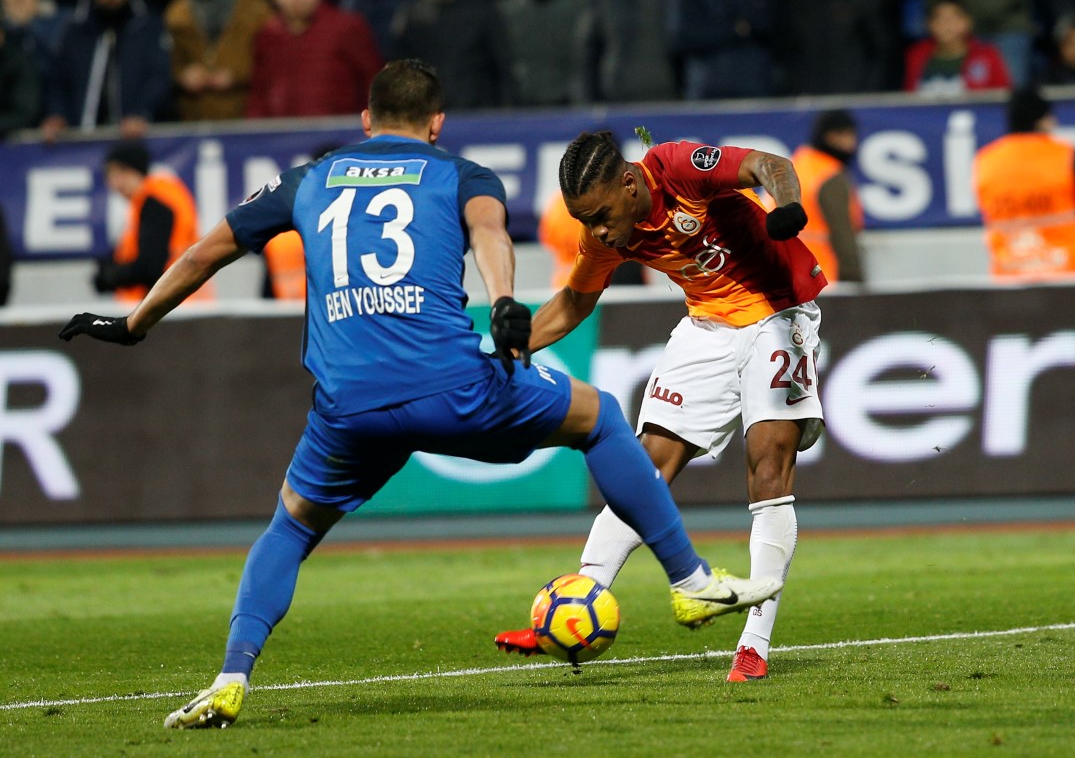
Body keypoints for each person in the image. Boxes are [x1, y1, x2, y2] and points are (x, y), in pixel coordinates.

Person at [58, 60, 782, 728]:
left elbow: (206, 251)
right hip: (452, 387)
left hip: (346, 407)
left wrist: (133, 323)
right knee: (598, 418)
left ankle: (230, 677)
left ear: (366, 120)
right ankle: (689, 580)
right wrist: (505, 302)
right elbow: (491, 233)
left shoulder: (306, 180)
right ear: (437, 123)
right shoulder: (463, 174)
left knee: (290, 529)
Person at [494, 130, 826, 683]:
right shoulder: (606, 234)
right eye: (583, 220)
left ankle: (754, 646)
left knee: (769, 467)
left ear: (629, 184)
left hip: (779, 312)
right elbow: (575, 301)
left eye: (601, 215)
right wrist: (506, 351)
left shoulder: (677, 169)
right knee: (642, 469)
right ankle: (574, 607)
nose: (596, 231)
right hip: (708, 325)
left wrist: (786, 206)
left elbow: (769, 164)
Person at [973, 87, 1075, 280]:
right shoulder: (1063, 155)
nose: (1054, 122)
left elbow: (986, 212)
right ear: (1039, 120)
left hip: (1011, 271)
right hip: (1069, 268)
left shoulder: (985, 160)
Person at [40, 0, 171, 141]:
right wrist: (58, 114)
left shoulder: (148, 27)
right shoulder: (75, 30)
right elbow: (58, 80)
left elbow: (158, 77)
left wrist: (142, 112)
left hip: (136, 140)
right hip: (81, 141)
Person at [97, 140, 212, 303]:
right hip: (181, 298)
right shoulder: (155, 199)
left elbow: (151, 266)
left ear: (136, 170)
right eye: (110, 175)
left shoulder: (155, 204)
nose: (114, 183)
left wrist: (112, 276)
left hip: (174, 303)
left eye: (121, 173)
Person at [245, 0, 380, 118]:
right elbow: (259, 97)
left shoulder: (347, 28)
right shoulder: (267, 36)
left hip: (341, 132)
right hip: (279, 132)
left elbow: (375, 86)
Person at [391, 0, 511, 110]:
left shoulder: (482, 12)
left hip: (477, 110)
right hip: (428, 110)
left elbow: (503, 65)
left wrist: (505, 109)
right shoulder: (413, 15)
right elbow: (402, 70)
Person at [164, 0, 272, 121]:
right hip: (193, 117)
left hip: (244, 114)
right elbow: (166, 63)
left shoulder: (255, 9)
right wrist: (183, 75)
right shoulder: (175, 13)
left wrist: (236, 75)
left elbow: (271, 61)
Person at [790, 109, 864, 284]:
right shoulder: (829, 176)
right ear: (829, 137)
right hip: (821, 278)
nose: (852, 143)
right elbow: (843, 235)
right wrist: (855, 281)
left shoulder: (795, 166)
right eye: (845, 135)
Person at [904, 0, 1012, 95]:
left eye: (953, 18)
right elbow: (908, 99)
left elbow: (1003, 97)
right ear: (929, 23)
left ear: (967, 22)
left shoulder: (987, 56)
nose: (946, 25)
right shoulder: (916, 55)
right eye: (940, 18)